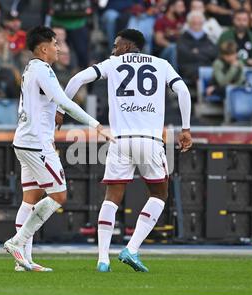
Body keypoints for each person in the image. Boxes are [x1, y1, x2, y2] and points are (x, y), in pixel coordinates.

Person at [61, 29, 192, 272]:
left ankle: (102, 259)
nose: (113, 49)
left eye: (116, 44)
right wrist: (186, 129)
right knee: (159, 195)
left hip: (120, 140)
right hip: (150, 140)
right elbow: (183, 91)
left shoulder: (112, 63)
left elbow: (77, 79)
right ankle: (131, 249)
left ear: (127, 46)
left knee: (111, 198)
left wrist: (61, 109)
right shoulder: (161, 64)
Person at [3, 26, 113, 272]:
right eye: (55, 44)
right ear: (44, 48)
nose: (59, 48)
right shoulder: (43, 69)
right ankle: (17, 243)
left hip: (26, 140)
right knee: (59, 195)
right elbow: (64, 101)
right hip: (36, 145)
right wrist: (96, 124)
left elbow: (44, 106)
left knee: (30, 199)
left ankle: (23, 261)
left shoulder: (31, 68)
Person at [176, 11, 218, 87]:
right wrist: (205, 53)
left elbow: (214, 53)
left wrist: (197, 52)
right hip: (189, 68)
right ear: (189, 23)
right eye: (194, 23)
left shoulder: (207, 38)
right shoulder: (182, 38)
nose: (197, 25)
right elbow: (186, 55)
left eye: (199, 23)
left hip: (206, 67)